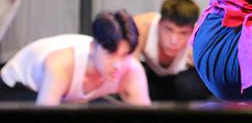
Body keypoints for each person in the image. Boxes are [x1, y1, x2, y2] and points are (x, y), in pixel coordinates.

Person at [0, 10, 150, 105]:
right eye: (111, 54)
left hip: (66, 98)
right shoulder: (61, 65)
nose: (118, 65)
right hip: (15, 87)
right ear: (93, 47)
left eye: (125, 56)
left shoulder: (132, 71)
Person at [133, 0, 212, 101]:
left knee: (190, 85)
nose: (174, 40)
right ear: (159, 24)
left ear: (193, 30)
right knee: (133, 77)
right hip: (154, 82)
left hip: (183, 85)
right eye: (169, 29)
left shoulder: (200, 40)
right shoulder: (141, 27)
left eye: (183, 33)